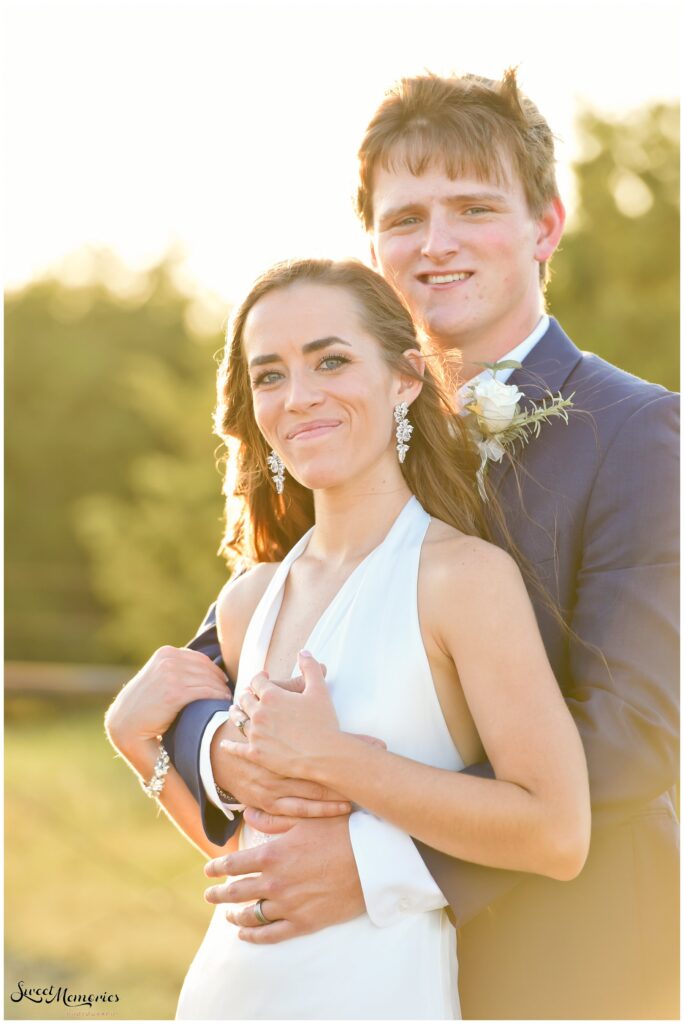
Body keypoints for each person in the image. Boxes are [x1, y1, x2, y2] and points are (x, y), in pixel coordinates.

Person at [126, 70, 679, 1019]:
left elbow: (635, 732)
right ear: (375, 246)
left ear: (545, 226)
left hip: (567, 956)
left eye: (474, 207)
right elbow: (219, 672)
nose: (438, 242)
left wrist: (378, 861)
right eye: (406, 216)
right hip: (341, 967)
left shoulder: (641, 433)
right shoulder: (335, 421)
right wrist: (209, 746)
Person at [106, 256, 591, 1019]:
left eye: (330, 360)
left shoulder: (463, 580)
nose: (299, 397)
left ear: (403, 379)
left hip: (381, 992)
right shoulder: (248, 600)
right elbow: (257, 869)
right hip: (230, 993)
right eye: (269, 376)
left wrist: (332, 760)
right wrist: (137, 743)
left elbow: (558, 832)